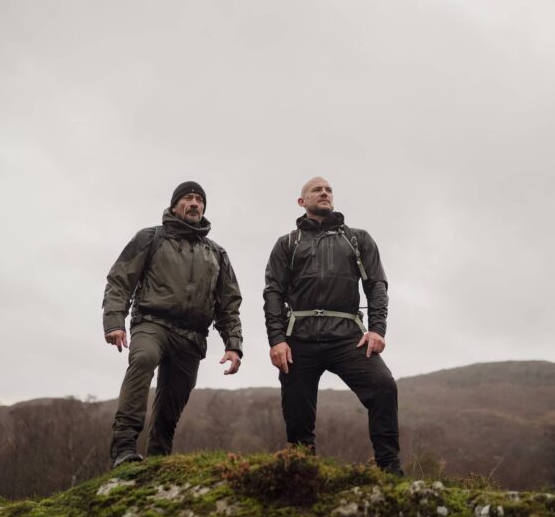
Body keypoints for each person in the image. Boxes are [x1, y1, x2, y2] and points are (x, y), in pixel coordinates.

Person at [263, 177, 402, 474]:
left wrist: (377, 329)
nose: (324, 193)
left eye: (328, 190)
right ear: (302, 202)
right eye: (317, 190)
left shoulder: (357, 239)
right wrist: (276, 340)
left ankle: (389, 469)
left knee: (384, 386)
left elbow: (376, 284)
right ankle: (303, 472)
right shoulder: (287, 243)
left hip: (347, 338)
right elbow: (273, 293)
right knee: (297, 412)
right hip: (298, 339)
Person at [103, 181, 243, 467]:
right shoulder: (151, 238)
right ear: (175, 205)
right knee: (144, 358)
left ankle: (156, 462)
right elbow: (120, 279)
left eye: (199, 200)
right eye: (188, 198)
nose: (194, 203)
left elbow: (229, 303)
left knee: (172, 402)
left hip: (192, 336)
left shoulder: (217, 253)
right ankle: (124, 446)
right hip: (152, 322)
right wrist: (114, 320)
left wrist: (234, 345)